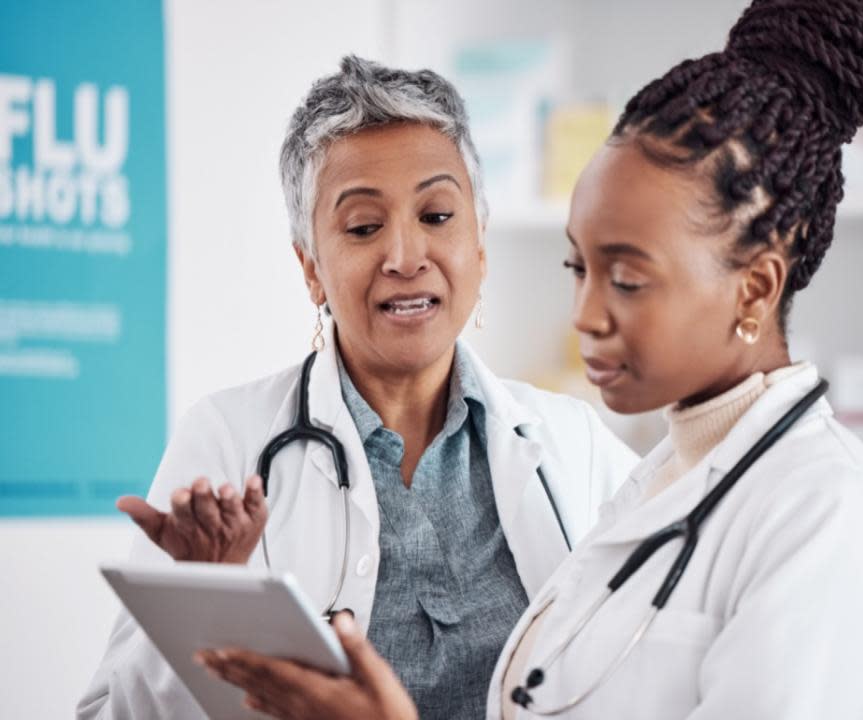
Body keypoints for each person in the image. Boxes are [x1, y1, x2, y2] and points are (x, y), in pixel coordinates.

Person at [197, 0, 863, 718]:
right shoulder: (663, 477)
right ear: (310, 265)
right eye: (578, 269)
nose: (585, 317)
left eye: (628, 278)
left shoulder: (825, 514)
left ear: (756, 287)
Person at [77, 56, 639, 720]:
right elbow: (113, 712)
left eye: (436, 215)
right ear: (311, 268)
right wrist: (208, 602)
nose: (406, 257)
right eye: (364, 227)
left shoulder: (572, 445)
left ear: (479, 245)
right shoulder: (231, 441)